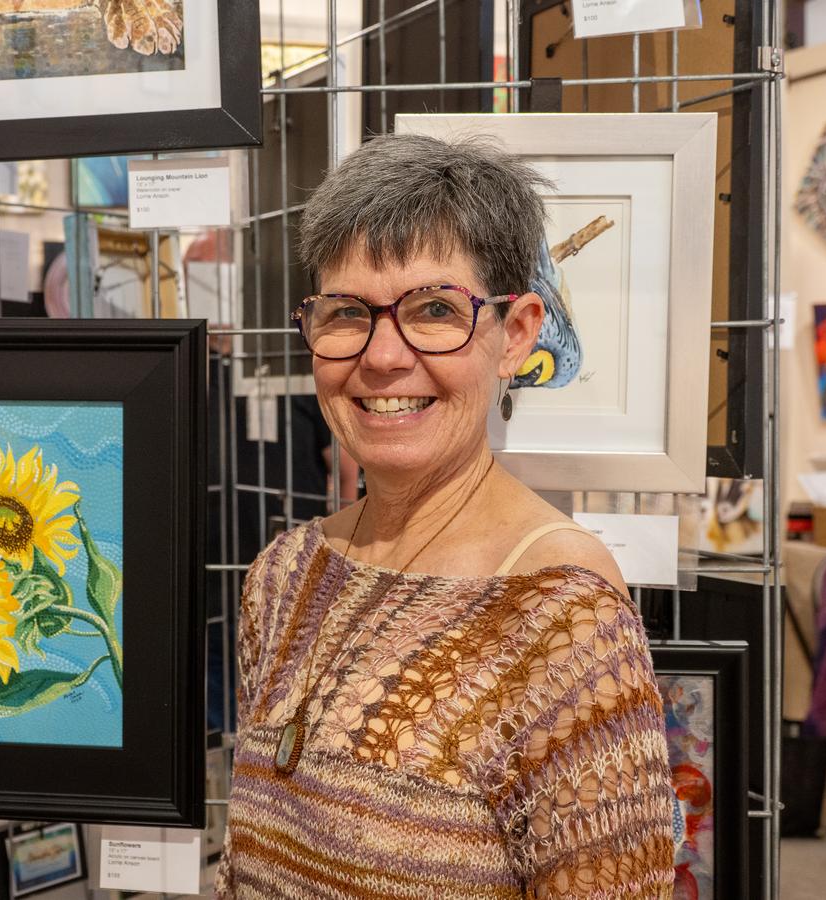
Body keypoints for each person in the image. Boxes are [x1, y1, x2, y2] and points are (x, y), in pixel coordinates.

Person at [215, 134, 676, 899]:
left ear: (516, 333)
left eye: (434, 310)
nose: (383, 355)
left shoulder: (559, 614)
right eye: (346, 313)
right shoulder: (285, 575)